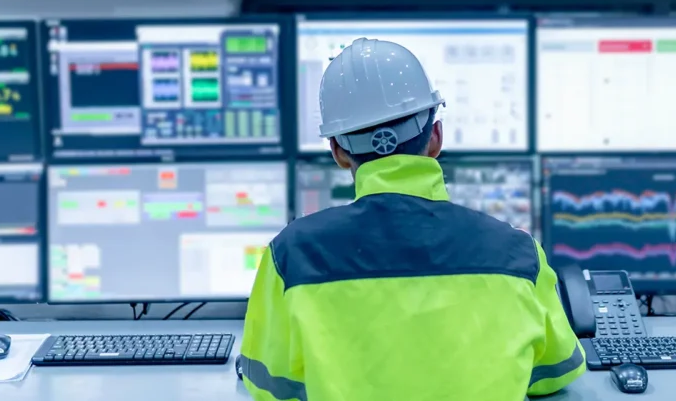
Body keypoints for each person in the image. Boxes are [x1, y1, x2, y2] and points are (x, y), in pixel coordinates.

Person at [238, 37, 585, 400]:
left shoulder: (290, 256)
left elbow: (270, 385)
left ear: (338, 152)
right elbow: (555, 372)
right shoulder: (519, 254)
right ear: (435, 137)